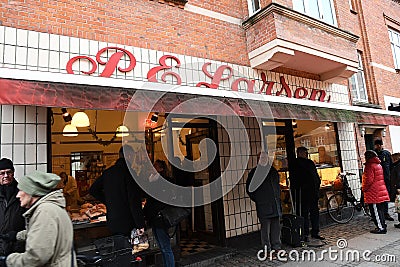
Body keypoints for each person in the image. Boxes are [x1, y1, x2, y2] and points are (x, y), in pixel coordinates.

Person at [0, 170, 77, 266]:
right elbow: (43, 233)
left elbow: (36, 257)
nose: (18, 195)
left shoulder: (45, 211)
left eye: (21, 190)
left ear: (32, 192)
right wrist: (16, 235)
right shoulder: (49, 207)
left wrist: (8, 260)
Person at [90, 145, 145, 267]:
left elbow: (93, 189)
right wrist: (140, 224)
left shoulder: (108, 172)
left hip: (113, 221)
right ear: (129, 156)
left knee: (119, 252)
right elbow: (134, 201)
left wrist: (108, 201)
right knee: (128, 254)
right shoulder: (130, 174)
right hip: (127, 221)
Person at [246, 151, 282, 255]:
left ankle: (276, 246)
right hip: (263, 205)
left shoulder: (273, 171)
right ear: (258, 160)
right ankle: (267, 249)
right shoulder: (254, 173)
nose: (264, 160)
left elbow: (277, 186)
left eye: (265, 158)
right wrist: (259, 200)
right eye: (261, 158)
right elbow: (250, 190)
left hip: (275, 204)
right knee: (265, 229)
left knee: (276, 227)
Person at [143, 160, 175, 267]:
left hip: (160, 218)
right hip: (155, 218)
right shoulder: (152, 180)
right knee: (162, 246)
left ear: (161, 169)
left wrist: (145, 211)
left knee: (165, 247)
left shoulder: (162, 182)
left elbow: (155, 202)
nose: (152, 167)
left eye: (155, 166)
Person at [290, 146, 324, 241]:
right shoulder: (297, 164)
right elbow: (295, 180)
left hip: (309, 192)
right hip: (304, 193)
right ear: (300, 153)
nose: (306, 154)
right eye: (305, 153)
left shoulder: (307, 163)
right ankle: (308, 233)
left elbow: (316, 177)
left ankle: (311, 232)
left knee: (310, 213)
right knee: (307, 213)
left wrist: (317, 185)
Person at [0, 159, 25, 256]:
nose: (6, 176)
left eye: (9, 172)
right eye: (2, 173)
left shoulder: (22, 192)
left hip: (17, 248)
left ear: (13, 173)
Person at [362, 150, 390, 234]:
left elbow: (368, 180)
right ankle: (383, 225)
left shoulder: (369, 166)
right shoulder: (378, 164)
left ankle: (381, 228)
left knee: (376, 211)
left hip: (373, 192)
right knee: (380, 210)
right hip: (379, 190)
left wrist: (363, 188)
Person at [374, 139, 394, 221]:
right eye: (377, 145)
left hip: (386, 178)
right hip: (377, 179)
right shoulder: (374, 154)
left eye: (379, 145)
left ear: (381, 145)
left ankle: (385, 213)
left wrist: (391, 177)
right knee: (378, 196)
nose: (378, 146)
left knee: (385, 196)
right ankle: (379, 213)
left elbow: (391, 166)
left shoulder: (386, 153)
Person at [390, 153, 400, 228]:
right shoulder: (396, 166)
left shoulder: (398, 166)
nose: (392, 160)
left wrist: (398, 187)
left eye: (393, 159)